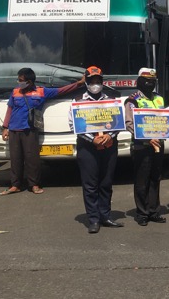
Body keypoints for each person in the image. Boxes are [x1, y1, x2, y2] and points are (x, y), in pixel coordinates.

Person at [0, 67, 84, 196]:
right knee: (15, 158)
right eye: (18, 80)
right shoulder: (15, 92)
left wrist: (78, 84)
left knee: (31, 158)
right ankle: (15, 185)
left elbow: (61, 91)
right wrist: (5, 127)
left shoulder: (41, 92)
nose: (19, 82)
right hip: (14, 130)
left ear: (29, 81)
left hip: (30, 130)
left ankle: (34, 184)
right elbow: (10, 110)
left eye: (21, 80)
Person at [69, 66, 123, 233]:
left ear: (102, 82)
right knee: (90, 185)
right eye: (92, 81)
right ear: (86, 82)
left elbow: (118, 122)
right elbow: (73, 126)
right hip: (88, 148)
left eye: (98, 81)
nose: (95, 84)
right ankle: (93, 219)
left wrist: (109, 136)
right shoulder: (78, 102)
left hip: (109, 146)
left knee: (106, 183)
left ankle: (105, 216)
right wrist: (93, 139)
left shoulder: (111, 100)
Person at [124, 68, 167, 226]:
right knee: (142, 181)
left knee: (155, 178)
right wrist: (148, 138)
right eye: (146, 80)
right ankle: (142, 213)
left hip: (158, 145)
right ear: (139, 81)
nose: (150, 83)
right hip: (141, 146)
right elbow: (130, 124)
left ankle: (154, 211)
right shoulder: (132, 100)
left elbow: (165, 120)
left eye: (153, 80)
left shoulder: (159, 98)